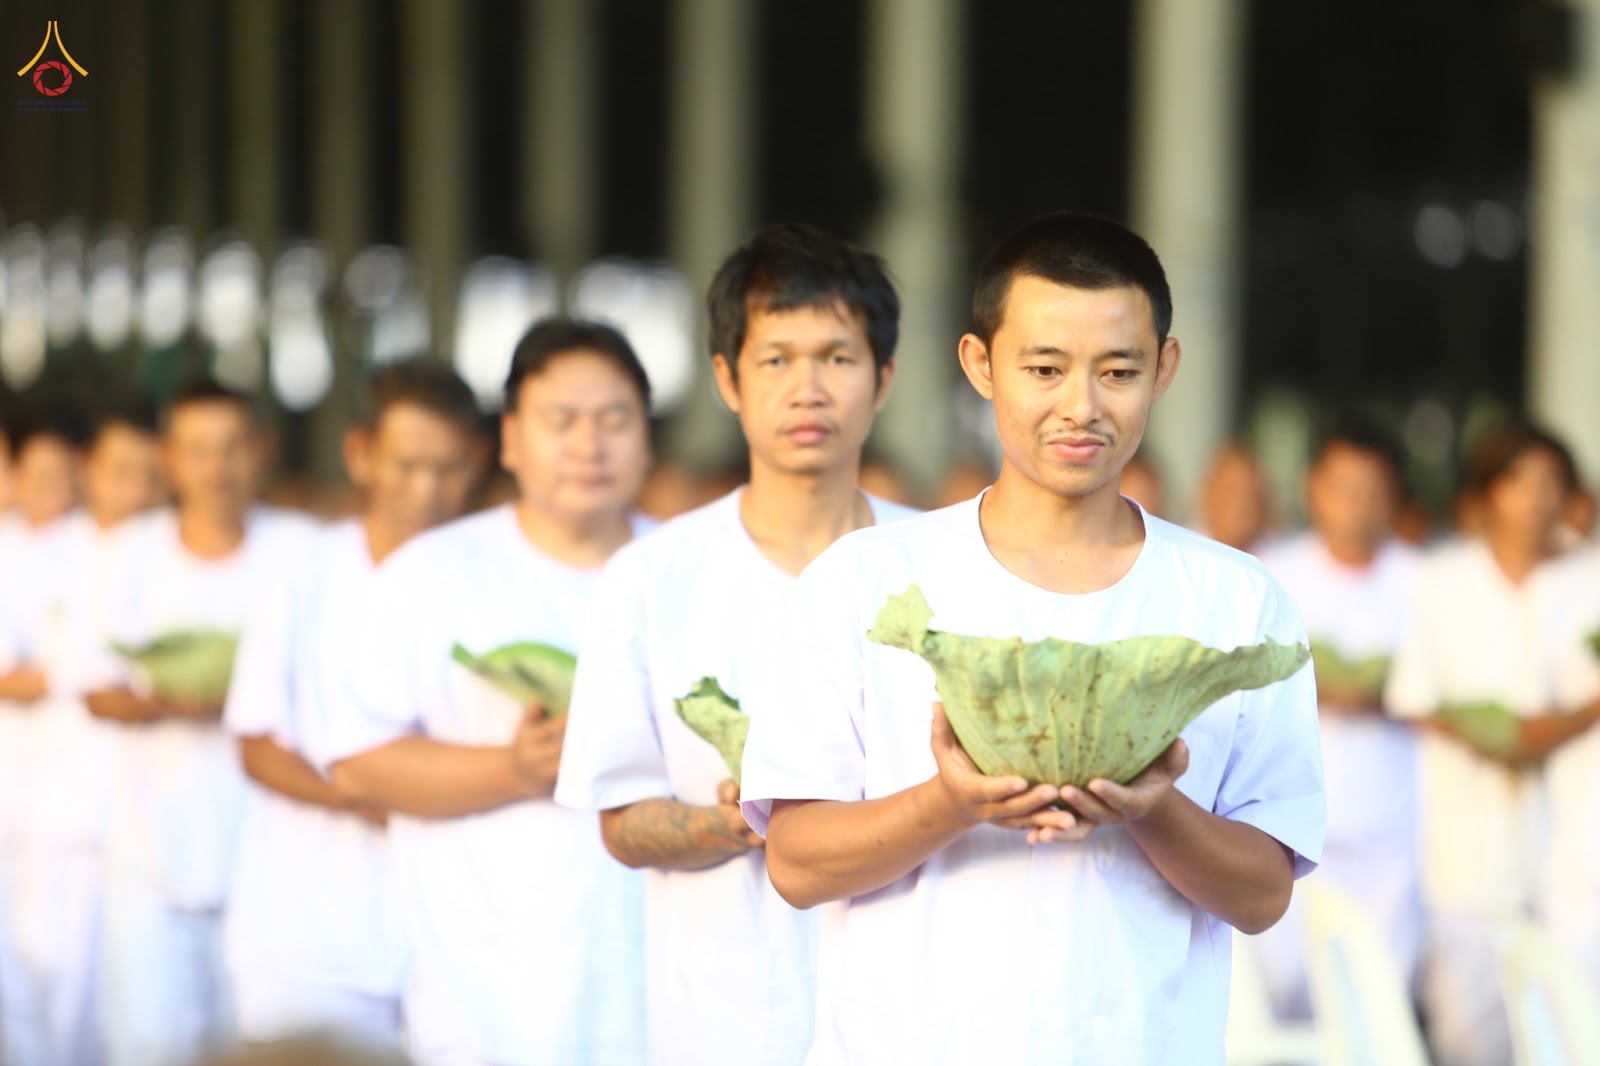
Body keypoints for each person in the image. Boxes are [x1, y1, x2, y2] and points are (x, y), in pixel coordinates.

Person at [739, 212, 1324, 1065]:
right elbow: (795, 865)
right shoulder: (864, 580)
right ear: (980, 364)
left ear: (1164, 369)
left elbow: (1263, 895)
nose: (1080, 407)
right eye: (1045, 369)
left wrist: (1154, 807)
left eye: (1118, 371)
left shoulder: (1237, 600)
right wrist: (952, 802)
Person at [555, 223, 917, 1066]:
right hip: (724, 1022)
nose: (807, 389)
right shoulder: (651, 578)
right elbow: (619, 820)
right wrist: (737, 822)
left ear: (883, 378)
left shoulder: (941, 565)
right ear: (727, 379)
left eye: (837, 358)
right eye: (776, 359)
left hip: (910, 1020)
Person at [324, 320, 655, 1066]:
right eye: (561, 421)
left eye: (614, 420)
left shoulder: (694, 568)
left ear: (645, 437)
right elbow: (358, 763)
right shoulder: (429, 574)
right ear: (508, 439)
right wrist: (515, 768)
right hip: (485, 1001)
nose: (589, 444)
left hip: (666, 999)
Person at [223, 358, 487, 1048]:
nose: (427, 489)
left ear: (481, 460)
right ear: (360, 453)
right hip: (309, 935)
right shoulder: (304, 571)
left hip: (457, 937)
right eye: (407, 466)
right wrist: (380, 790)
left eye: (448, 467)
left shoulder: (492, 579)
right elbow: (257, 745)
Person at [79, 380, 318, 1066]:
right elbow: (95, 689)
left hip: (272, 864)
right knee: (145, 1047)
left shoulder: (302, 548)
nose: (217, 468)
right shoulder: (126, 550)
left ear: (262, 450)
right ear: (170, 458)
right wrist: (184, 699)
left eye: (232, 448)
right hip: (148, 862)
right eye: (198, 450)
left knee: (266, 1048)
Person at [1386, 420, 1600, 1066]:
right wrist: (1495, 737)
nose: (1536, 498)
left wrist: (1555, 730)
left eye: (1550, 483)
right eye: (1518, 481)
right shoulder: (1446, 578)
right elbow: (1412, 693)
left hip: (1574, 844)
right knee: (1466, 1029)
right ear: (1488, 492)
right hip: (1470, 841)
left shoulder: (1589, 577)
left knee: (1567, 1029)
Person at [0, 404, 163, 1066]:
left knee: (100, 1009)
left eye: (148, 474)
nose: (135, 489)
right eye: (121, 471)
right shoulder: (29, 550)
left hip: (113, 821)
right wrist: (77, 672)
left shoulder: (136, 550)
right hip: (40, 809)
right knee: (32, 992)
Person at [1250, 422, 1424, 1019]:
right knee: (1285, 1005)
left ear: (1395, 496)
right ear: (1312, 489)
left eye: (1372, 489)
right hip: (1288, 825)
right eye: (1343, 487)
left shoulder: (1423, 581)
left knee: (1379, 1007)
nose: (1357, 504)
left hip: (1391, 831)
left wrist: (1384, 695)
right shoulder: (1269, 573)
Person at [0, 406, 87, 1065]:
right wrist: (78, 671)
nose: (49, 490)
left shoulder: (97, 547)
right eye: (37, 475)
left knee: (76, 979)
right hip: (14, 788)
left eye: (63, 474)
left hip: (78, 802)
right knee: (15, 976)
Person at [1198, 442, 1269, 552]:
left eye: (1249, 493)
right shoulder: (1182, 549)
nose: (1242, 503)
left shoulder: (1279, 555)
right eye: (1232, 490)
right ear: (1208, 495)